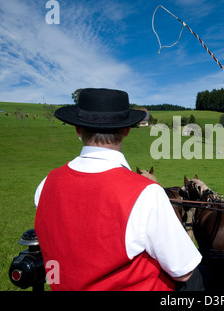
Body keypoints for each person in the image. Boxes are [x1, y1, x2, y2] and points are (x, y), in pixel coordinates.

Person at [34, 88, 203, 291]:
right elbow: (183, 270)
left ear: (78, 129)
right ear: (127, 130)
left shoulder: (45, 185)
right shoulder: (146, 193)